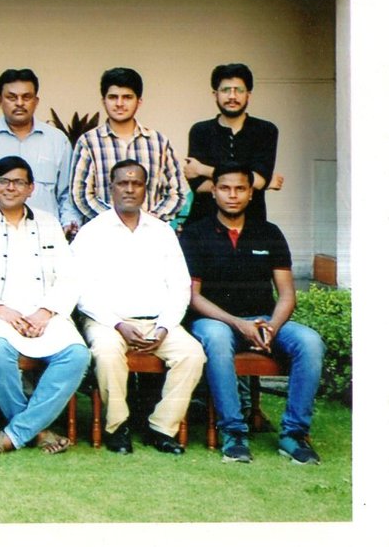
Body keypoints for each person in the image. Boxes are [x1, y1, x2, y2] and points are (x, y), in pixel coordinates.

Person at [180, 163, 324, 464]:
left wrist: (272, 327)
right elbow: (193, 296)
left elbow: (287, 294)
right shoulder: (195, 234)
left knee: (310, 341)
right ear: (214, 192)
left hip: (264, 321)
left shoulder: (269, 232)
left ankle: (294, 434)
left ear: (250, 193)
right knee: (217, 339)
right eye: (225, 188)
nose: (232, 195)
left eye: (240, 189)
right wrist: (238, 324)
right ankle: (233, 433)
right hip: (216, 322)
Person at [0, 155, 87, 455]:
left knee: (77, 355)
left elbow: (69, 278)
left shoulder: (49, 224)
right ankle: (38, 431)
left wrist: (45, 311)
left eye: (18, 182)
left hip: (44, 314)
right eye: (3, 181)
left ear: (31, 188)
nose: (10, 188)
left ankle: (15, 433)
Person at [72, 159, 205, 454]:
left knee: (192, 354)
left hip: (157, 323)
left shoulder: (162, 231)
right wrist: (118, 324)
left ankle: (161, 428)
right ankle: (117, 427)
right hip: (108, 322)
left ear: (146, 189)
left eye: (137, 184)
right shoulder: (91, 232)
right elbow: (80, 290)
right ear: (111, 188)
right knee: (107, 353)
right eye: (123, 183)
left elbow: (180, 286)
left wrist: (164, 327)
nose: (129, 189)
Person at [70, 67, 186, 225]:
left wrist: (151, 220)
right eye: (113, 97)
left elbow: (177, 192)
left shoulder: (158, 142)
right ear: (103, 101)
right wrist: (115, 221)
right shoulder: (89, 142)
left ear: (139, 101)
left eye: (127, 97)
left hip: (149, 232)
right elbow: (80, 194)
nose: (119, 104)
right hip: (103, 232)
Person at [0, 68, 82, 234]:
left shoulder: (56, 140)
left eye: (26, 97)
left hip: (45, 234)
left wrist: (68, 223)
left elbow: (67, 194)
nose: (19, 103)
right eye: (11, 97)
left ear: (36, 101)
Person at [184, 63, 282, 226]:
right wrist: (249, 184)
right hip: (203, 224)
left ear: (248, 94)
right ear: (215, 94)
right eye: (225, 90)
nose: (232, 96)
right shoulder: (200, 131)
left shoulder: (265, 130)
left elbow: (259, 181)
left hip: (252, 224)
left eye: (239, 90)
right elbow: (199, 185)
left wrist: (203, 169)